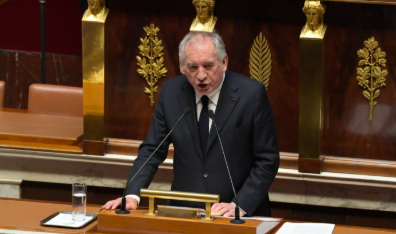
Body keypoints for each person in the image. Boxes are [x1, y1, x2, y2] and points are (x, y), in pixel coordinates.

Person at [102, 31, 279, 217]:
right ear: (182, 67)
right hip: (184, 212)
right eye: (192, 67)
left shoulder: (251, 94)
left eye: (208, 66)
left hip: (236, 213)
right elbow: (152, 150)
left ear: (224, 62)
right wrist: (132, 194)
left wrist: (240, 204)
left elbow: (267, 159)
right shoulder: (171, 92)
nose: (201, 75)